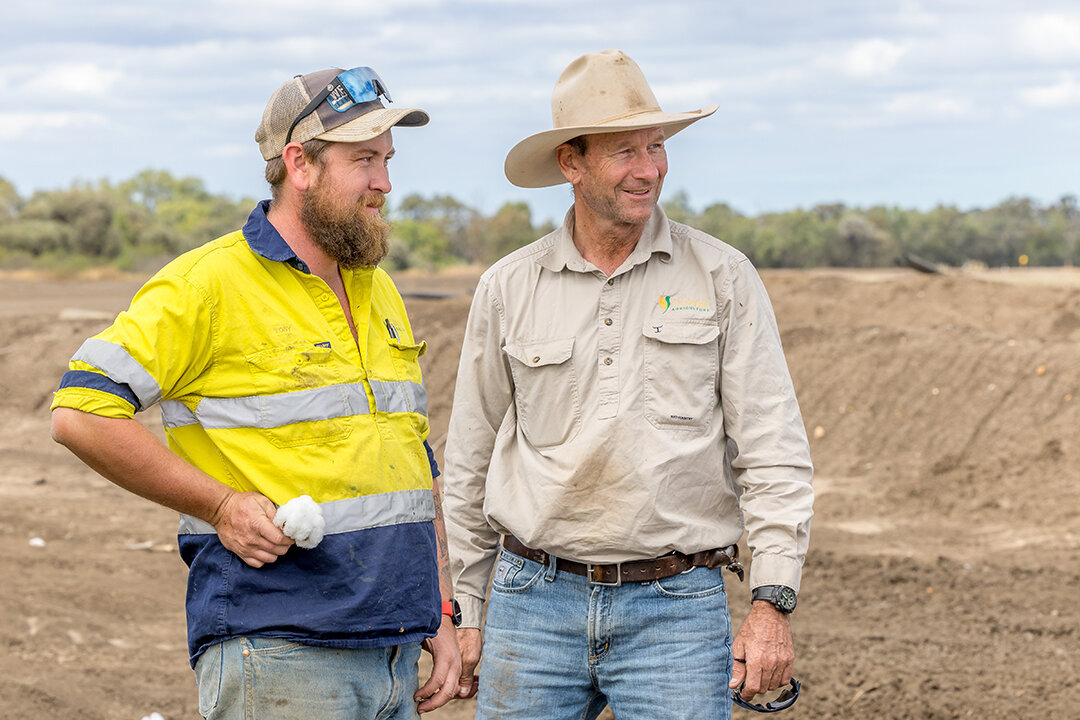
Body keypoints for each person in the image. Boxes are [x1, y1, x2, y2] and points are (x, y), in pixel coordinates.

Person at [50, 66, 462, 719]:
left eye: (387, 160)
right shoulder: (207, 285)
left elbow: (411, 459)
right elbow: (81, 412)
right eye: (364, 161)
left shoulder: (376, 290)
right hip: (279, 653)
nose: (384, 181)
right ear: (299, 164)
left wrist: (438, 606)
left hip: (392, 650)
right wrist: (219, 505)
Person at [442, 49, 814, 719]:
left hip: (676, 608)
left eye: (656, 147)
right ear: (571, 163)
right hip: (532, 604)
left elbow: (773, 450)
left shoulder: (722, 278)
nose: (649, 169)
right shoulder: (509, 287)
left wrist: (772, 601)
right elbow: (469, 457)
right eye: (625, 152)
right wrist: (467, 607)